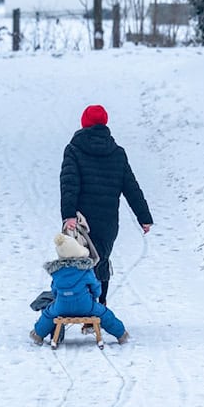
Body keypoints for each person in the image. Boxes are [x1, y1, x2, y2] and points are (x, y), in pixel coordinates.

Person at [60, 104, 153, 306]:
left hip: (81, 220)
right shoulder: (117, 153)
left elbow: (69, 185)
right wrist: (144, 217)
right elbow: (131, 187)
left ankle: (81, 305)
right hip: (108, 223)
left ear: (84, 123)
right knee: (100, 260)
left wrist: (69, 215)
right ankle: (99, 305)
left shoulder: (74, 150)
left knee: (77, 262)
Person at [29, 234, 128, 345]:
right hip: (85, 306)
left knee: (48, 314)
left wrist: (59, 297)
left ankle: (38, 334)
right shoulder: (85, 270)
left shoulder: (56, 272)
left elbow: (55, 290)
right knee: (104, 313)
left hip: (61, 306)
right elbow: (96, 287)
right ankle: (121, 334)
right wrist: (94, 296)